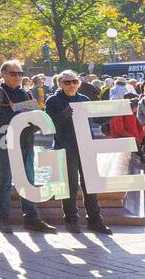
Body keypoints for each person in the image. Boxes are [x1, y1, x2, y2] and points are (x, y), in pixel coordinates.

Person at [0, 60, 56, 233]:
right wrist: (16, 116)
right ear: (2, 74)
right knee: (5, 181)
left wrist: (37, 121)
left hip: (25, 142)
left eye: (20, 73)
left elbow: (34, 121)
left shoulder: (26, 94)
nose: (17, 77)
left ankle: (31, 218)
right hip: (5, 143)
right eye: (13, 73)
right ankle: (4, 218)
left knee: (28, 181)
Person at [44, 71, 112, 234]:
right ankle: (71, 219)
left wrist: (110, 116)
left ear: (79, 83)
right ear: (60, 84)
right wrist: (64, 114)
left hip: (86, 145)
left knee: (90, 184)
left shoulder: (84, 99)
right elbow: (48, 125)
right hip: (65, 147)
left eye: (74, 81)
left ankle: (95, 219)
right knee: (70, 185)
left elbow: (95, 119)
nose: (71, 85)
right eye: (67, 82)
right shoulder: (53, 100)